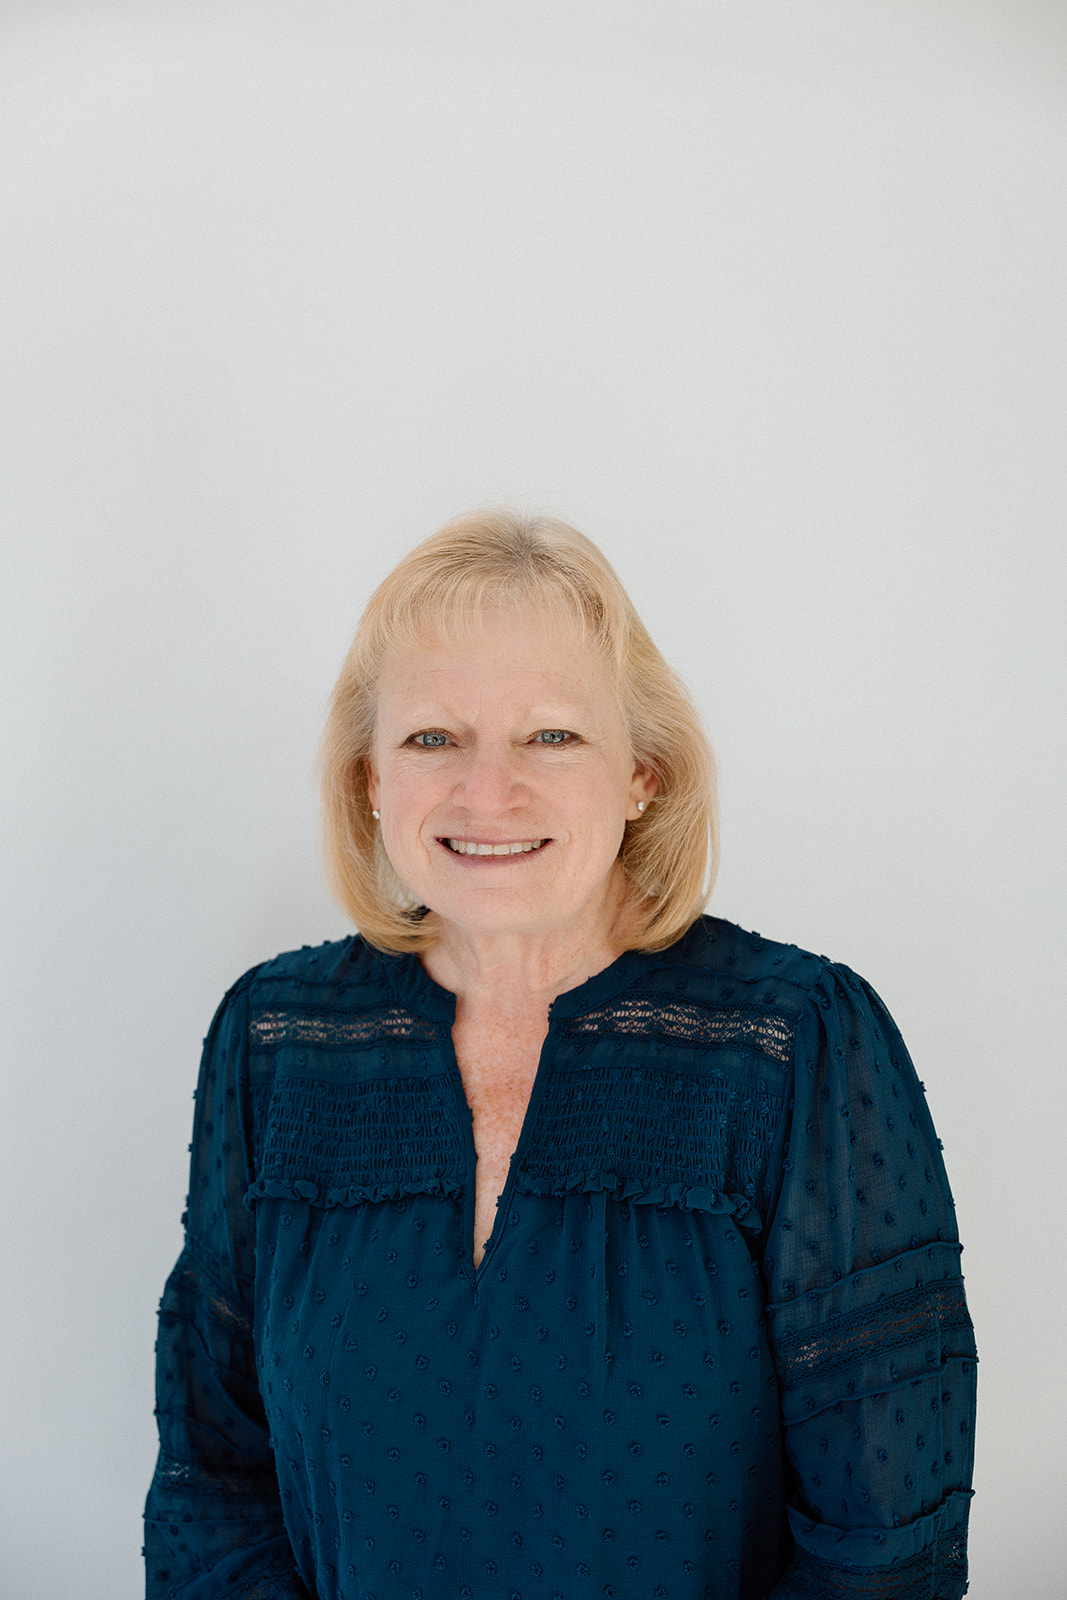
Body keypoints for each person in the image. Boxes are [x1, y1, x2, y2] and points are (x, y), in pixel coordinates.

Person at [145, 509, 976, 1600]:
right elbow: (213, 1490)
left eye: (550, 735)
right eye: (432, 737)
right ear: (369, 780)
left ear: (643, 773)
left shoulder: (794, 1042)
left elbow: (883, 1553)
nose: (488, 793)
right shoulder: (279, 1041)